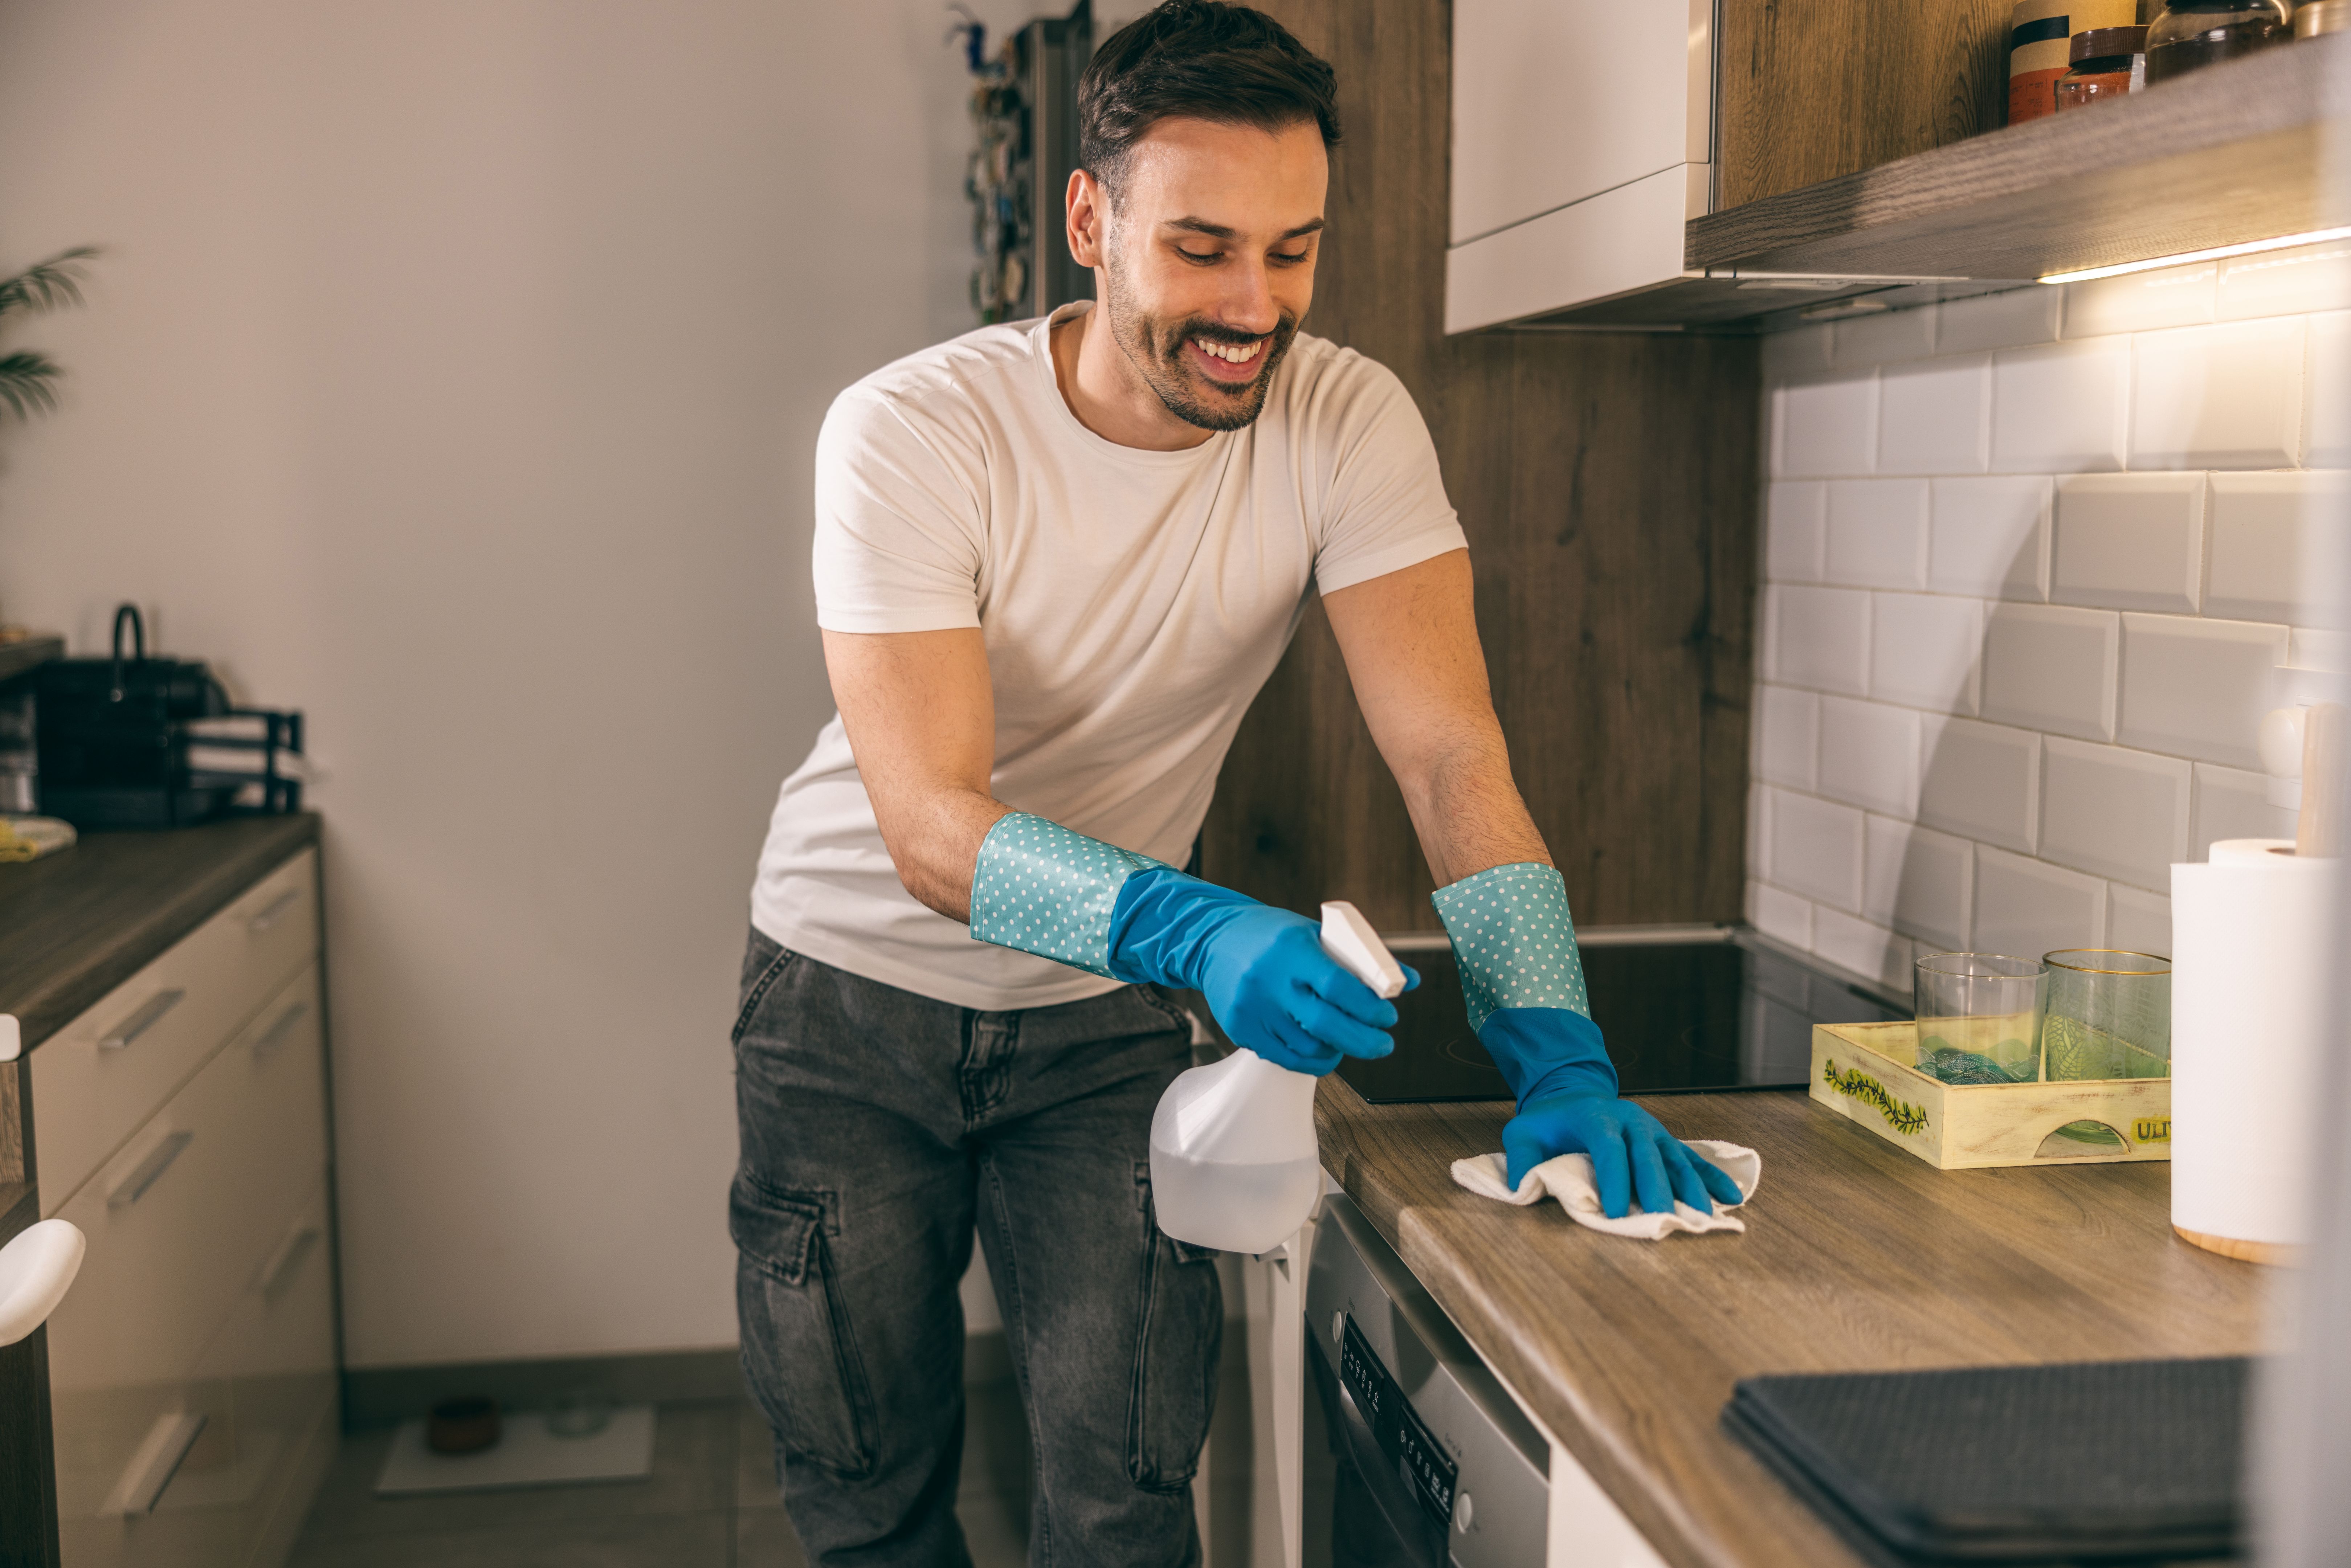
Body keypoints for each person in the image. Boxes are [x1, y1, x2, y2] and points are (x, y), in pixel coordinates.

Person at [731, 3, 1740, 1563]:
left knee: (1128, 1502)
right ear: (1090, 220)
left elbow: (1449, 752)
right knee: (869, 1507)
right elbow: (930, 825)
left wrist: (1561, 1050)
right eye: (1203, 248)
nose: (1252, 308)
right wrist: (1202, 932)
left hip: (1095, 1035)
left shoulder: (1347, 422)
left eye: (1292, 251)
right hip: (847, 1007)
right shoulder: (914, 432)